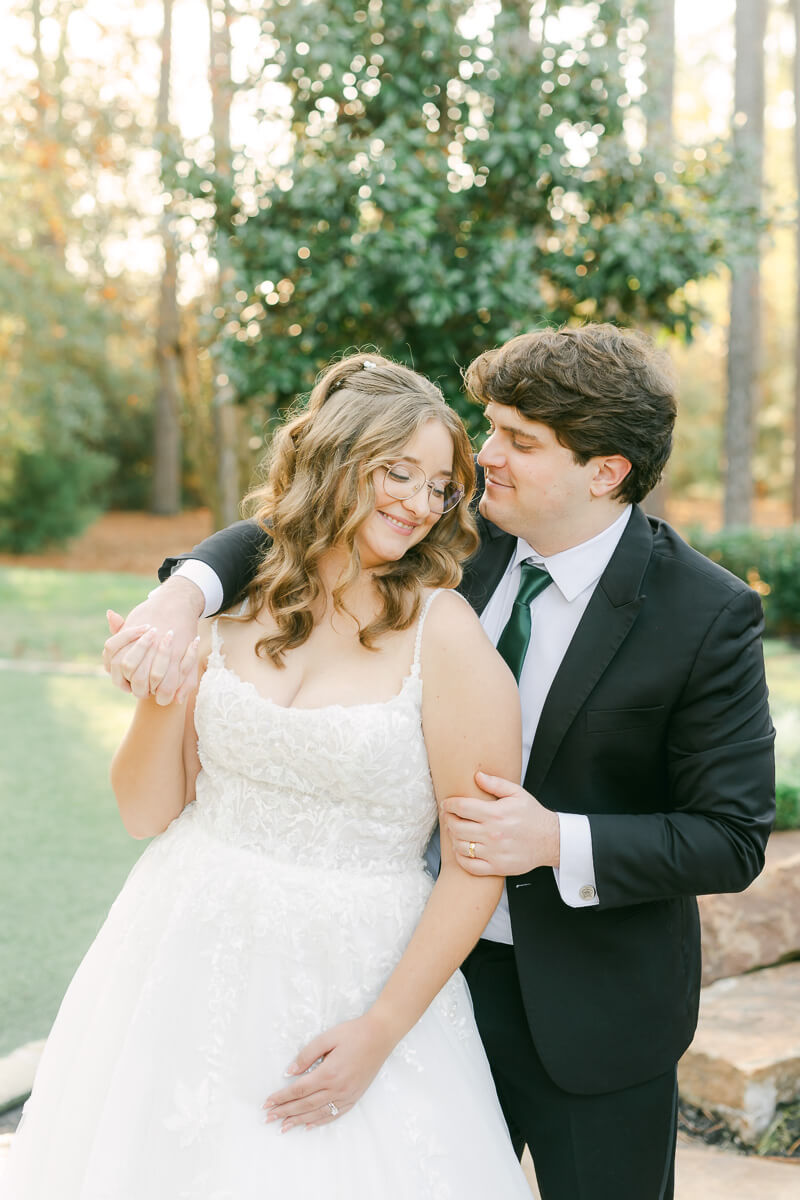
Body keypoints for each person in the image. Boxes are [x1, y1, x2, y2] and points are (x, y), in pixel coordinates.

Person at [103, 324, 775, 1200]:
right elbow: (284, 532)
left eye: (519, 442)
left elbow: (730, 836)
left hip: (594, 1012)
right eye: (490, 429)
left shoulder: (704, 613)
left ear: (604, 471)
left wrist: (554, 838)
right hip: (415, 977)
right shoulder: (450, 538)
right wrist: (182, 592)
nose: (485, 457)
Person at [1, 354, 535, 1200]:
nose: (420, 502)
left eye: (439, 485)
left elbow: (478, 859)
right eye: (398, 472)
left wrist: (382, 1030)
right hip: (179, 945)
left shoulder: (448, 636)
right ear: (332, 462)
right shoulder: (225, 605)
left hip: (353, 977)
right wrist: (164, 687)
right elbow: (146, 811)